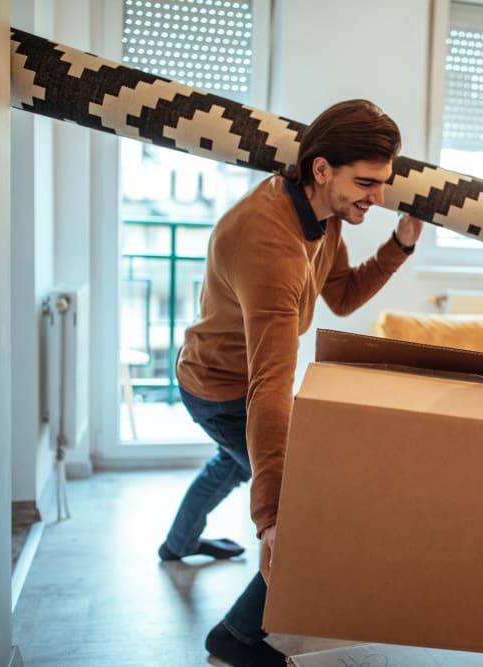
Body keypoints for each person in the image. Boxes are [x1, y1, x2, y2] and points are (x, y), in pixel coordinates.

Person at [164, 98, 423, 667]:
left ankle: (176, 544)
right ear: (322, 168)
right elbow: (269, 390)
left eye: (382, 184)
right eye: (367, 183)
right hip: (221, 389)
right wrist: (276, 520)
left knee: (230, 464)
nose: (377, 198)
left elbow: (344, 294)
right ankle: (234, 638)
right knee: (306, 506)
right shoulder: (269, 244)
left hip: (218, 377)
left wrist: (400, 245)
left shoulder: (323, 216)